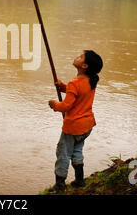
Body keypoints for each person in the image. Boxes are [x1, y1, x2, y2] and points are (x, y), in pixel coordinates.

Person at [47, 50, 103, 193]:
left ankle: (59, 184)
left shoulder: (75, 83)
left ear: (84, 65)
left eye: (80, 56)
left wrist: (54, 104)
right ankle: (79, 180)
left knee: (63, 152)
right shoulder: (91, 81)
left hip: (73, 127)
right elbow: (79, 94)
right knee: (77, 150)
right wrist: (64, 87)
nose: (76, 57)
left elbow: (66, 106)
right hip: (87, 126)